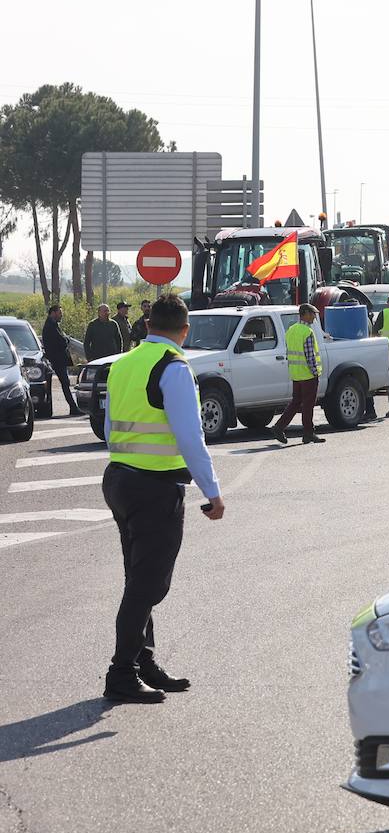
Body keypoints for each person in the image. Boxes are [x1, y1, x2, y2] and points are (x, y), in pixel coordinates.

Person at [101, 293, 225, 704]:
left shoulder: (123, 364)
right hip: (154, 488)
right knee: (148, 585)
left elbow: (108, 426)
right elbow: (191, 437)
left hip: (120, 480)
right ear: (183, 331)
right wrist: (212, 492)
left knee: (138, 579)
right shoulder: (173, 367)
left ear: (148, 324)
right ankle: (121, 674)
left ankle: (143, 664)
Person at [271, 304, 327, 445]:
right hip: (308, 375)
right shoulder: (307, 332)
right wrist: (315, 373)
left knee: (296, 403)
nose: (314, 317)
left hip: (296, 374)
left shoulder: (291, 330)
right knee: (308, 405)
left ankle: (279, 427)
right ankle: (308, 433)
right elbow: (310, 356)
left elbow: (289, 352)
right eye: (313, 314)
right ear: (305, 313)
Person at [42, 304, 79, 416]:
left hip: (58, 359)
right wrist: (66, 339)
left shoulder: (53, 325)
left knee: (65, 383)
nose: (61, 316)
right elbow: (61, 341)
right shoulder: (50, 326)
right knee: (65, 383)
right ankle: (73, 407)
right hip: (57, 359)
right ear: (53, 313)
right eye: (59, 313)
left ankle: (73, 407)